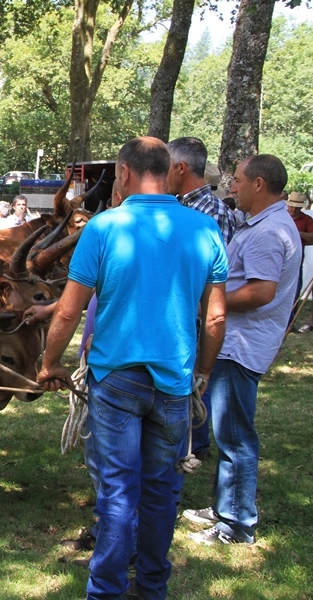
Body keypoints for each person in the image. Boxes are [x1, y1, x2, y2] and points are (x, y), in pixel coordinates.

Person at [38, 137, 228, 599]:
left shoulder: (104, 228)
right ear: (168, 171)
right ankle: (151, 588)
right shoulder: (204, 229)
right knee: (160, 492)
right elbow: (217, 317)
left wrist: (48, 363)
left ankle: (105, 591)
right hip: (174, 382)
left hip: (116, 379)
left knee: (118, 492)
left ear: (123, 172)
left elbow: (68, 312)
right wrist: (201, 374)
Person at [184, 154, 301, 547]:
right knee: (227, 430)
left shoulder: (269, 232)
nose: (231, 188)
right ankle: (225, 507)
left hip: (241, 346)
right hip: (237, 342)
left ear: (259, 184)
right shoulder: (266, 225)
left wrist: (210, 304)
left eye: (237, 181)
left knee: (235, 436)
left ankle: (236, 524)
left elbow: (262, 291)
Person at [166, 137, 239, 462]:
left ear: (180, 168)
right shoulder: (183, 209)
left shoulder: (210, 214)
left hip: (192, 320)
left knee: (192, 385)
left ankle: (192, 443)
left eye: (165, 167)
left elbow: (208, 282)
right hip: (180, 318)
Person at [167, 137, 236, 245]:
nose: (163, 175)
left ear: (181, 168)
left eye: (167, 168)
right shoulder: (177, 203)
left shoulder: (214, 212)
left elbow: (216, 260)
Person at [287, 192, 313, 332]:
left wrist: (299, 234)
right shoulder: (282, 217)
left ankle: (290, 322)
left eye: (296, 207)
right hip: (280, 261)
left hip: (296, 262)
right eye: (292, 206)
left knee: (295, 292)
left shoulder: (307, 220)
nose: (293, 209)